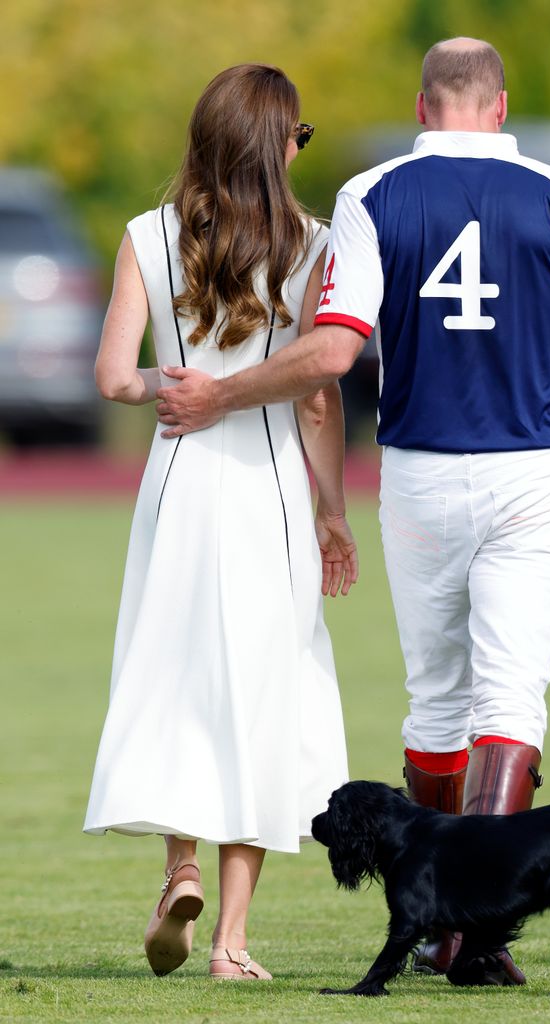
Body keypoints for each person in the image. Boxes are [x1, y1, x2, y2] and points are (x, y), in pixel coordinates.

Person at [155, 38, 550, 984]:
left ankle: (438, 931)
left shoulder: (372, 196)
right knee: (511, 697)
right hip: (534, 468)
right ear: (499, 107)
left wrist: (220, 393)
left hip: (421, 469)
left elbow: (335, 353)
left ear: (424, 110)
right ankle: (477, 934)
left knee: (438, 699)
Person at [84, 63, 358, 982]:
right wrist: (334, 514)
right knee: (265, 695)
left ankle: (180, 870)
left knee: (178, 674)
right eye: (298, 134)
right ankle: (233, 942)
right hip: (271, 486)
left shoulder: (147, 236)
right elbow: (318, 397)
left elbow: (117, 378)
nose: (299, 146)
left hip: (179, 483)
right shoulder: (313, 244)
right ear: (273, 142)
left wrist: (181, 385)